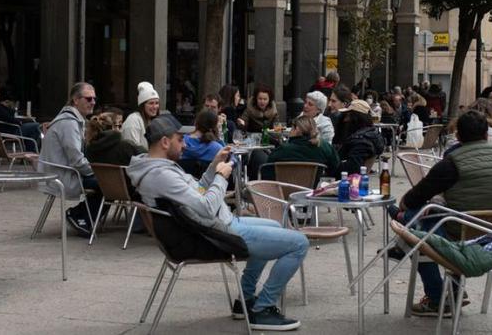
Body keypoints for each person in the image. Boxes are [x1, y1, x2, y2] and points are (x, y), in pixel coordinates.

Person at [128, 114, 307, 330]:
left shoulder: (158, 168)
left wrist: (214, 166)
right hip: (216, 234)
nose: (184, 145)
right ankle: (263, 309)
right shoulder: (161, 175)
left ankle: (245, 301)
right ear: (165, 142)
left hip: (216, 224)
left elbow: (198, 193)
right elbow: (206, 206)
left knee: (276, 227)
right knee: (299, 243)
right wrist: (221, 178)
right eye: (180, 140)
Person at [395, 110, 492, 317]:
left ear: (458, 136)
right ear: (487, 136)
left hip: (461, 233)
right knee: (416, 220)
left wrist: (402, 209)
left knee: (412, 224)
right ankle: (447, 290)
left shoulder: (452, 163)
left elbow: (412, 199)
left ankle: (439, 298)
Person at [40, 83, 102, 236]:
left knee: (110, 182)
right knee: (110, 184)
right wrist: (98, 171)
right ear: (75, 100)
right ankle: (79, 216)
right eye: (88, 99)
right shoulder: (69, 123)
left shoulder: (72, 120)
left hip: (60, 173)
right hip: (62, 176)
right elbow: (77, 159)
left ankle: (85, 216)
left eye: (94, 98)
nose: (93, 102)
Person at [0, 78, 41, 151]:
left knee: (31, 128)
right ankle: (31, 152)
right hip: (7, 132)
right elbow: (8, 117)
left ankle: (29, 153)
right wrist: (19, 122)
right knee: (36, 126)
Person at [267, 115, 339, 177]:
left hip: (283, 189)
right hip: (313, 189)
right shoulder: (324, 147)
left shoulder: (283, 150)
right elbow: (336, 168)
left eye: (292, 128)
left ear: (297, 129)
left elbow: (267, 170)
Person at [337, 100, 384, 174]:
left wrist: (331, 162)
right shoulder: (370, 135)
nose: (345, 120)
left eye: (348, 116)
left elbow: (352, 169)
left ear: (356, 119)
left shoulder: (360, 142)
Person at [181, 109, 226, 177]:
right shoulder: (217, 148)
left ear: (196, 123)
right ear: (215, 126)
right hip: (208, 185)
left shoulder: (180, 142)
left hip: (182, 183)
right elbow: (227, 158)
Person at [122, 81, 161, 147]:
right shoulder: (133, 120)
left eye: (156, 103)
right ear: (142, 105)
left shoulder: (153, 121)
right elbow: (132, 149)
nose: (154, 107)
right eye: (151, 103)